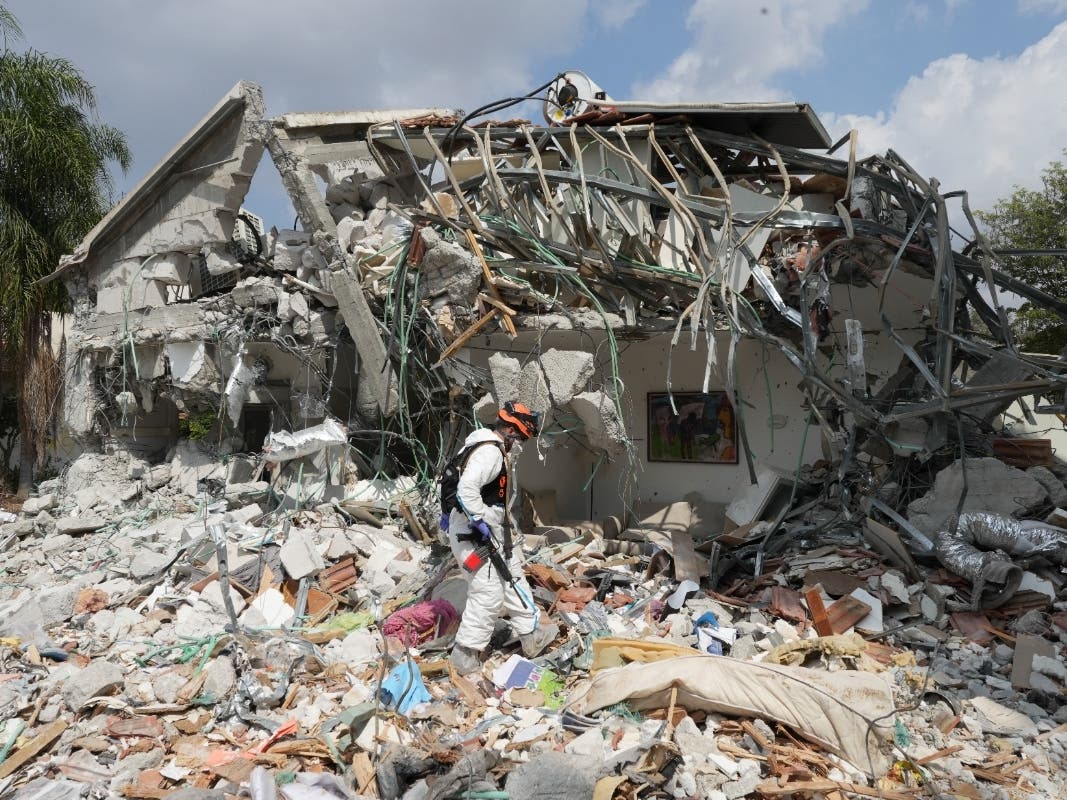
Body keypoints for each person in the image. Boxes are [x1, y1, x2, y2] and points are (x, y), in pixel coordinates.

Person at [444, 401, 557, 674]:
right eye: (518, 437)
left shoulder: (480, 447)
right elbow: (466, 488)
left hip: (493, 531)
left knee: (513, 578)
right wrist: (478, 521)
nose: (518, 444)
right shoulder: (489, 452)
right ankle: (464, 655)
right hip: (474, 535)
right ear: (508, 429)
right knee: (488, 592)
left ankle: (531, 635)